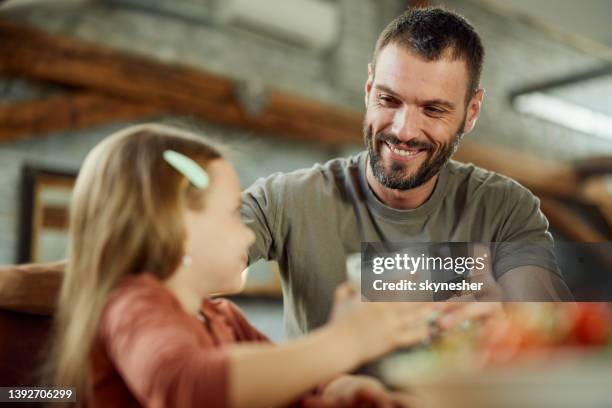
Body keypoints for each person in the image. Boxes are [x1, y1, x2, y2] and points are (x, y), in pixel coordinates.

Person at [46, 123, 440, 408]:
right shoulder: (134, 307)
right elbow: (188, 388)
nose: (250, 235)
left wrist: (337, 390)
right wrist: (346, 341)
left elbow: (282, 383)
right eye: (234, 214)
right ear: (177, 226)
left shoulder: (222, 318)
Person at [241, 6, 569, 337]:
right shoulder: (286, 201)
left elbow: (549, 324)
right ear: (369, 89)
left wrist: (513, 319)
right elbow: (193, 250)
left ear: (471, 112)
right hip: (328, 390)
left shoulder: (505, 209)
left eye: (433, 110)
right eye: (389, 100)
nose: (404, 130)